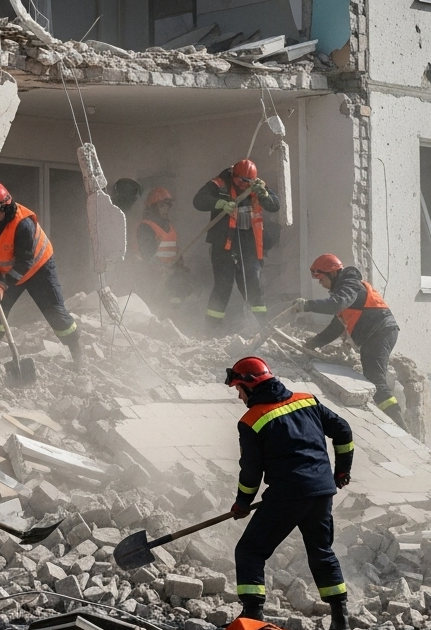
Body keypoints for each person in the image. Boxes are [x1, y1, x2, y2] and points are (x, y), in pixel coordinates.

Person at [225, 356, 355, 630]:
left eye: (238, 389)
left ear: (250, 385)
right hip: (321, 492)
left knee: (249, 551)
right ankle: (341, 621)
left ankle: (252, 617)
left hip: (286, 495)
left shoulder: (251, 420)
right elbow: (343, 430)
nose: (238, 396)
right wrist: (342, 471)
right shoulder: (307, 400)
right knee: (321, 552)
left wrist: (243, 503)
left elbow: (251, 471)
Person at [0, 182, 82, 368]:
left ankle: (77, 354)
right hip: (8, 271)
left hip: (38, 270)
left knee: (54, 312)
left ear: (5, 205)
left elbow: (24, 262)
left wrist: (1, 286)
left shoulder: (23, 224)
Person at [293, 254, 406, 429]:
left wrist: (307, 305)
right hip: (375, 336)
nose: (320, 283)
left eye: (321, 278)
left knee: (376, 379)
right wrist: (314, 343)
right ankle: (393, 421)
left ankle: (399, 426)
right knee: (374, 378)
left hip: (380, 333)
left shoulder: (350, 285)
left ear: (332, 273)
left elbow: (335, 305)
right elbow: (336, 327)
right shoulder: (344, 292)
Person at [194, 159, 280, 336]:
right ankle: (211, 330)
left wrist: (264, 195)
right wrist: (219, 203)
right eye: (240, 181)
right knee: (223, 286)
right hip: (223, 245)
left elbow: (275, 206)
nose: (243, 185)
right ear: (234, 175)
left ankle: (263, 328)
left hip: (248, 245)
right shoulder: (219, 184)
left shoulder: (257, 185)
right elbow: (198, 201)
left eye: (247, 182)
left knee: (253, 286)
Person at [135, 187, 190, 314]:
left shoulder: (169, 225)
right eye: (162, 206)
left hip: (171, 273)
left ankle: (175, 315)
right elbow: (147, 253)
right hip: (153, 275)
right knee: (157, 304)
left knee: (178, 298)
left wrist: (179, 262)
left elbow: (174, 248)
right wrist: (160, 267)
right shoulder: (146, 226)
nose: (166, 209)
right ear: (153, 207)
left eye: (168, 206)